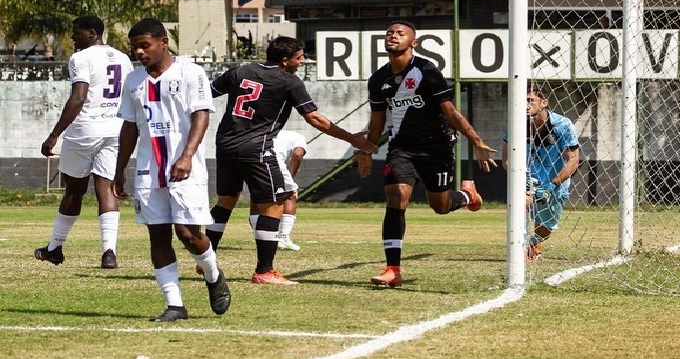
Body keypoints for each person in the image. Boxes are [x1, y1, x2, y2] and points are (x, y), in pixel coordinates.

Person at [209, 35, 378, 285]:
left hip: (224, 145)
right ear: (285, 60)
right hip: (257, 149)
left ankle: (206, 259)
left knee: (225, 201)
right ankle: (264, 271)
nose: (302, 62)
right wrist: (352, 139)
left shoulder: (239, 71)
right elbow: (315, 119)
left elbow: (205, 93)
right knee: (274, 205)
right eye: (299, 58)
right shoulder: (289, 81)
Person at [356, 20, 497, 288]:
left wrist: (476, 141)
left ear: (413, 42)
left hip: (437, 147)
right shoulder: (378, 80)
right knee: (396, 197)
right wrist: (366, 150)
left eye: (400, 33)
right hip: (401, 148)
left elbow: (450, 111)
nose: (393, 36)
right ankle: (393, 269)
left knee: (440, 207)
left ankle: (467, 195)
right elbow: (377, 121)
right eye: (389, 33)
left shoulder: (426, 70)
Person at [112, 18, 230, 322]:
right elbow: (129, 126)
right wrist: (119, 168)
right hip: (148, 171)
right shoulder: (133, 80)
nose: (139, 51)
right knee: (158, 237)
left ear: (163, 42)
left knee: (189, 234)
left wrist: (187, 155)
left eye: (145, 45)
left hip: (184, 169)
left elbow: (201, 114)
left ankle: (213, 273)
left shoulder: (190, 72)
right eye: (135, 47)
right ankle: (175, 304)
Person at [35, 15, 133, 269]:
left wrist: (55, 133)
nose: (72, 37)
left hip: (84, 131)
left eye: (76, 32)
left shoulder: (81, 58)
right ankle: (109, 252)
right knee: (106, 189)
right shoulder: (122, 58)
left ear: (91, 33)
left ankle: (55, 249)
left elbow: (78, 97)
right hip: (115, 130)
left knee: (74, 190)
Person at [501, 84, 580, 260]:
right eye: (522, 101)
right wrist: (520, 179)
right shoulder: (516, 125)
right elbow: (506, 159)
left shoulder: (562, 125)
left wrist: (553, 185)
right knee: (520, 205)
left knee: (544, 229)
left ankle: (534, 241)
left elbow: (573, 160)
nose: (526, 105)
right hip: (527, 179)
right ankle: (519, 252)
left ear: (544, 102)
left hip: (554, 183)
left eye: (530, 101)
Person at [202, 130, 308, 258]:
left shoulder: (259, 132)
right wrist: (291, 176)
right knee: (290, 194)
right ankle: (283, 237)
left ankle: (260, 236)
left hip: (248, 160)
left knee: (255, 198)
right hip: (272, 163)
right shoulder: (298, 137)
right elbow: (297, 154)